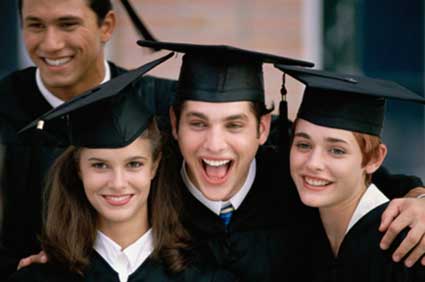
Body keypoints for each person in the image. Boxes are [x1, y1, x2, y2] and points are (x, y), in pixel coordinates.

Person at [136, 40, 425, 281]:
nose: (214, 145)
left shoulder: (292, 179)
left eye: (234, 125)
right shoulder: (147, 190)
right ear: (174, 124)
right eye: (198, 123)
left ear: (262, 128)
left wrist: (421, 199)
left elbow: (366, 180)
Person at [7, 54, 237, 282]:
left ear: (154, 166)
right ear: (78, 169)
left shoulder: (207, 277)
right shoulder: (38, 278)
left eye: (134, 164)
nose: (117, 183)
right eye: (100, 165)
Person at [0, 0, 175, 277]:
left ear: (106, 26)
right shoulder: (5, 107)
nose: (51, 44)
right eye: (35, 25)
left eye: (68, 24)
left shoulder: (163, 106)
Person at [278, 64, 425, 281]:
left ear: (374, 158)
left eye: (337, 150)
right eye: (303, 145)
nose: (313, 163)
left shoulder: (408, 243)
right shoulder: (303, 230)